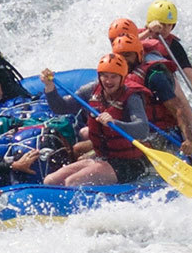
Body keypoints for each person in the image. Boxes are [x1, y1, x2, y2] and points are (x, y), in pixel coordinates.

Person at [39, 54, 151, 186]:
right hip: (102, 158)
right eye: (105, 76)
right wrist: (50, 87)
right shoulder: (91, 90)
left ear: (123, 77)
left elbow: (143, 129)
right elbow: (61, 107)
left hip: (129, 162)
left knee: (72, 182)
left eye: (113, 76)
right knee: (50, 181)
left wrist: (115, 123)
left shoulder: (132, 97)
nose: (108, 81)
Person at [111, 34, 192, 156]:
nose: (123, 60)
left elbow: (178, 108)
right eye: (119, 56)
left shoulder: (155, 76)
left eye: (127, 55)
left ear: (139, 55)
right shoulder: (112, 76)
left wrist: (190, 140)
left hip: (163, 132)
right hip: (134, 129)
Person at [140, 0, 192, 113]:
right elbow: (123, 48)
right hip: (139, 81)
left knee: (184, 108)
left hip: (165, 85)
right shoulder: (138, 36)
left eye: (169, 25)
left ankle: (189, 127)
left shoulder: (173, 45)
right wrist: (148, 31)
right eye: (161, 25)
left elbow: (191, 77)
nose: (165, 29)